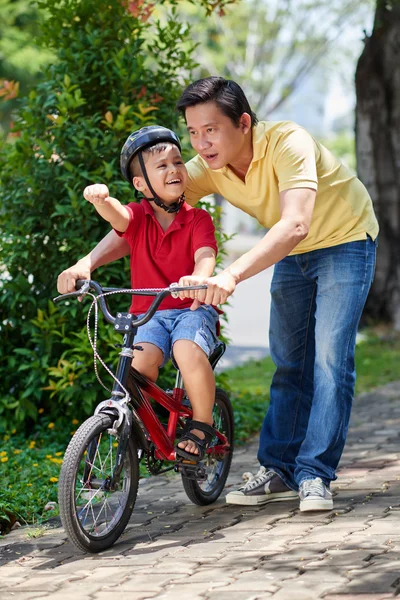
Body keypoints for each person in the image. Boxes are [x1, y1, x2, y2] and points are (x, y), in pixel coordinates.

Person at [58, 77, 378, 512]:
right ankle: (280, 469)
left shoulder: (289, 143)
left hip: (344, 239)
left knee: (327, 360)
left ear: (243, 123)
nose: (200, 143)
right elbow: (142, 216)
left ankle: (315, 474)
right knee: (289, 361)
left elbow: (296, 223)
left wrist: (228, 275)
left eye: (210, 129)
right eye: (192, 131)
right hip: (293, 250)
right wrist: (87, 262)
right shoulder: (203, 168)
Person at [78, 125, 221, 461]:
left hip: (192, 308)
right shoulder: (139, 216)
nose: (174, 170)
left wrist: (200, 277)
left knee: (187, 350)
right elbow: (118, 216)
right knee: (136, 366)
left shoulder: (199, 219)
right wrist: (102, 200)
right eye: (162, 166)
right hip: (150, 313)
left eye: (178, 162)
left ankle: (202, 422)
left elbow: (206, 254)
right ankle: (147, 430)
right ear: (140, 185)